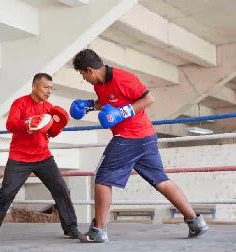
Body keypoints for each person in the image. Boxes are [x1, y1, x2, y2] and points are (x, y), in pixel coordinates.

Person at [70, 49, 208, 243]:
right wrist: (90, 105)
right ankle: (196, 222)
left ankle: (98, 231)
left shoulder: (123, 78)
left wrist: (123, 113)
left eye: (82, 74)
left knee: (102, 178)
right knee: (161, 181)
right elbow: (109, 100)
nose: (83, 78)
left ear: (90, 70)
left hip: (129, 136)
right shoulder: (100, 85)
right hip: (145, 138)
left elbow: (148, 99)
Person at [0, 73, 80, 240]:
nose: (49, 91)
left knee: (61, 189)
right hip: (20, 157)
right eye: (45, 87)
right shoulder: (20, 103)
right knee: (6, 193)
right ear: (34, 86)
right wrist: (27, 123)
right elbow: (10, 124)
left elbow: (50, 132)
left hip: (43, 156)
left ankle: (71, 228)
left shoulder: (49, 107)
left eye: (51, 88)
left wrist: (58, 127)